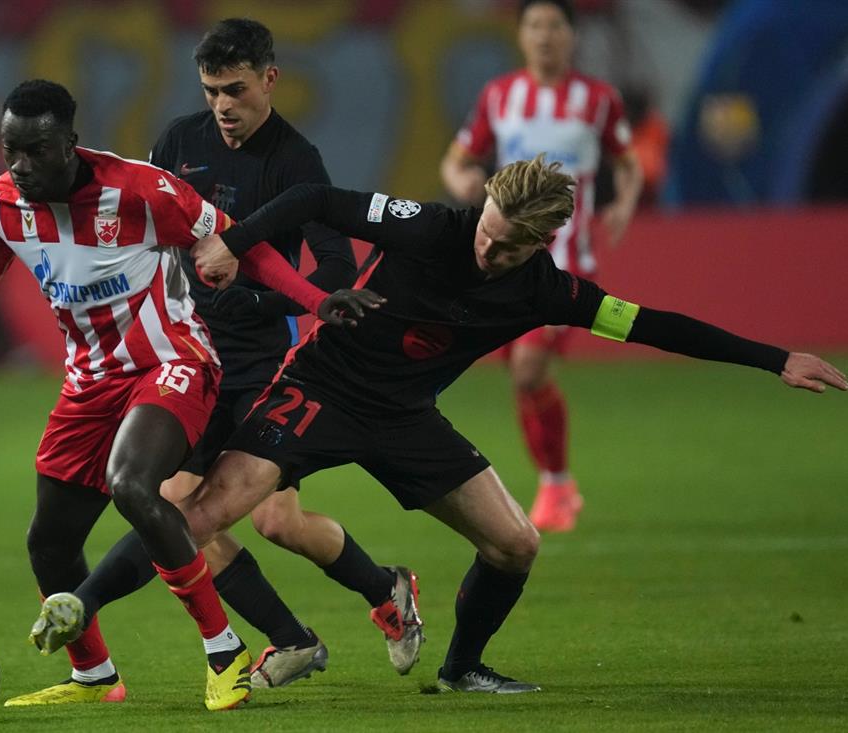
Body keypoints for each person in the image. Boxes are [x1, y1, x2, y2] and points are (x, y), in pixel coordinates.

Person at [0, 79, 370, 712]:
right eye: (11, 150)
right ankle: (95, 677)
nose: (20, 165)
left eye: (35, 151)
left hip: (173, 362)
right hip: (90, 381)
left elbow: (244, 247)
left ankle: (223, 650)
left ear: (70, 144)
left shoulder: (142, 190)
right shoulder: (0, 205)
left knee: (132, 485)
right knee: (49, 543)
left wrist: (316, 300)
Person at [172, 154, 844, 693]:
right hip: (322, 387)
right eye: (486, 231)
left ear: (541, 243)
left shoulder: (547, 290)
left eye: (503, 247)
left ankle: (462, 668)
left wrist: (775, 358)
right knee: (201, 519)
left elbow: (651, 324)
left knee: (516, 544)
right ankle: (134, 639)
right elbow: (315, 198)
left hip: (405, 419)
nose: (485, 249)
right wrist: (233, 241)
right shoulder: (431, 225)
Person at [440, 0, 644, 532]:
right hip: (505, 259)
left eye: (555, 25)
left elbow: (628, 163)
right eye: (534, 25)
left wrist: (623, 203)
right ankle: (558, 485)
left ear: (572, 36)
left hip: (566, 259)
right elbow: (457, 160)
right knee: (523, 376)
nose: (544, 35)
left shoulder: (598, 100)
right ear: (521, 35)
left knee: (529, 368)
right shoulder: (499, 95)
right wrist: (464, 181)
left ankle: (555, 484)